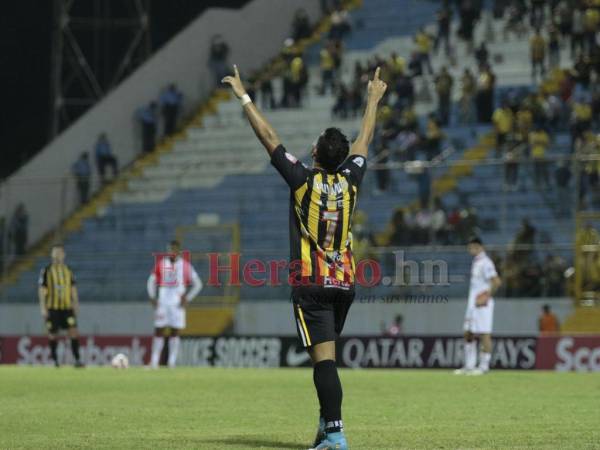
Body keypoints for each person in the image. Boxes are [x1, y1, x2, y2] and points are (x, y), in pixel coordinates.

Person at [222, 64, 387, 450]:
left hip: (311, 284)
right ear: (343, 159)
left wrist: (244, 96)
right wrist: (373, 99)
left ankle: (335, 434)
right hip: (344, 283)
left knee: (324, 362)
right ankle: (324, 426)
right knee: (327, 356)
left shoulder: (302, 181)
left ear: (314, 153)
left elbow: (268, 137)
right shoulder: (352, 180)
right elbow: (365, 139)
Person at [147, 240, 203, 369]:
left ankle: (172, 363)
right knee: (159, 330)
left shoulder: (185, 266)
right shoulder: (162, 264)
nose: (171, 252)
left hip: (177, 305)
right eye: (169, 250)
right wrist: (152, 297)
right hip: (163, 303)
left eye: (173, 250)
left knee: (174, 332)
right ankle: (154, 362)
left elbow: (198, 284)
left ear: (178, 251)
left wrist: (188, 298)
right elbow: (151, 280)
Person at [454, 236, 501, 375]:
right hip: (473, 304)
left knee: (484, 333)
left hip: (483, 304)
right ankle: (469, 365)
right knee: (468, 333)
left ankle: (484, 367)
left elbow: (496, 282)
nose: (470, 250)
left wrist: (486, 297)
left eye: (472, 247)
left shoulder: (486, 263)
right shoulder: (476, 262)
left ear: (479, 247)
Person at [38, 244, 84, 368]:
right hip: (52, 307)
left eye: (60, 253)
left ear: (64, 255)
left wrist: (76, 303)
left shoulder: (68, 270)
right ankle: (55, 361)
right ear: (52, 255)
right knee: (53, 334)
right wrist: (43, 307)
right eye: (55, 253)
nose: (58, 255)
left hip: (67, 307)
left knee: (73, 331)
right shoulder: (47, 270)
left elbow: (73, 288)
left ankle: (77, 360)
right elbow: (42, 290)